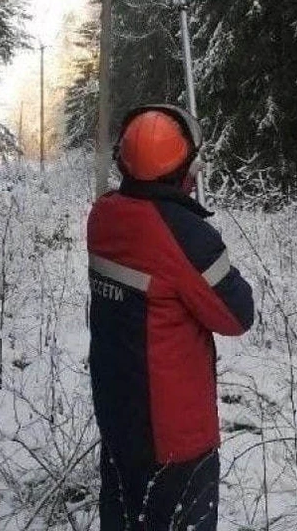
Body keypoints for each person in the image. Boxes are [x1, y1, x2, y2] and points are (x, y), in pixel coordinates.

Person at [86, 104, 255, 530]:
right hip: (175, 439)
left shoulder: (104, 215)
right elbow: (238, 314)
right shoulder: (186, 236)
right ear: (185, 169)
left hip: (119, 421)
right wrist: (201, 232)